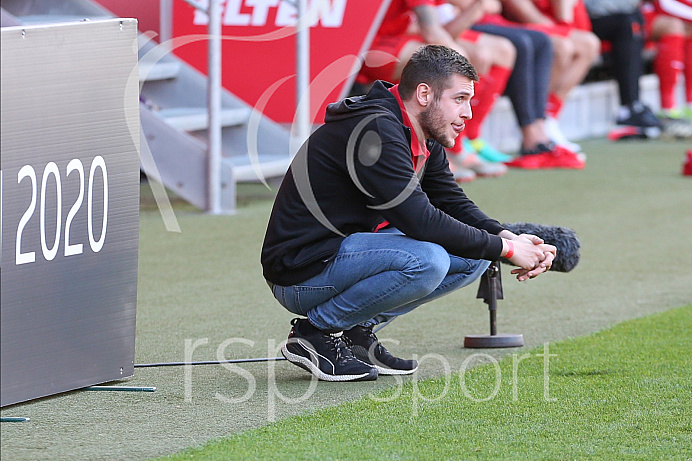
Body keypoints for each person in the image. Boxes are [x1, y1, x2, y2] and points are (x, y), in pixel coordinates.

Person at [261, 45, 557, 382]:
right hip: (301, 272)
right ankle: (315, 334)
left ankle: (357, 333)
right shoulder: (374, 130)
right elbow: (419, 219)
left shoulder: (421, 131)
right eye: (459, 99)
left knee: (474, 255)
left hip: (344, 255)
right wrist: (507, 251)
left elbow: (452, 202)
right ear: (424, 94)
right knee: (429, 260)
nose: (468, 113)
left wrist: (506, 237)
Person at [358, 0, 511, 181]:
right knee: (450, 62)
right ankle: (436, 151)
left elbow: (484, 9)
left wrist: (476, 5)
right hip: (368, 43)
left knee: (498, 50)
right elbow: (431, 30)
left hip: (400, 36)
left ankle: (464, 141)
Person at [468, 5, 587, 168]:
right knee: (521, 44)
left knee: (542, 41)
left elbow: (493, 6)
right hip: (466, 24)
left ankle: (540, 129)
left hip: (492, 21)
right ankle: (528, 137)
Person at [497, 0, 601, 153]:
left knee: (590, 43)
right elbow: (520, 12)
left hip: (542, 23)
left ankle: (549, 117)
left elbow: (565, 17)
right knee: (560, 47)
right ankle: (536, 121)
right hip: (514, 23)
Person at [583, 0, 663, 137]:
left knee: (634, 21)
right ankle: (629, 107)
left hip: (618, 16)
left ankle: (634, 105)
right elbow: (596, 7)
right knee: (628, 24)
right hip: (586, 18)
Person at [642, 0, 692, 136]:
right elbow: (664, 4)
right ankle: (668, 111)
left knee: (687, 27)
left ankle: (689, 105)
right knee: (674, 26)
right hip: (628, 15)